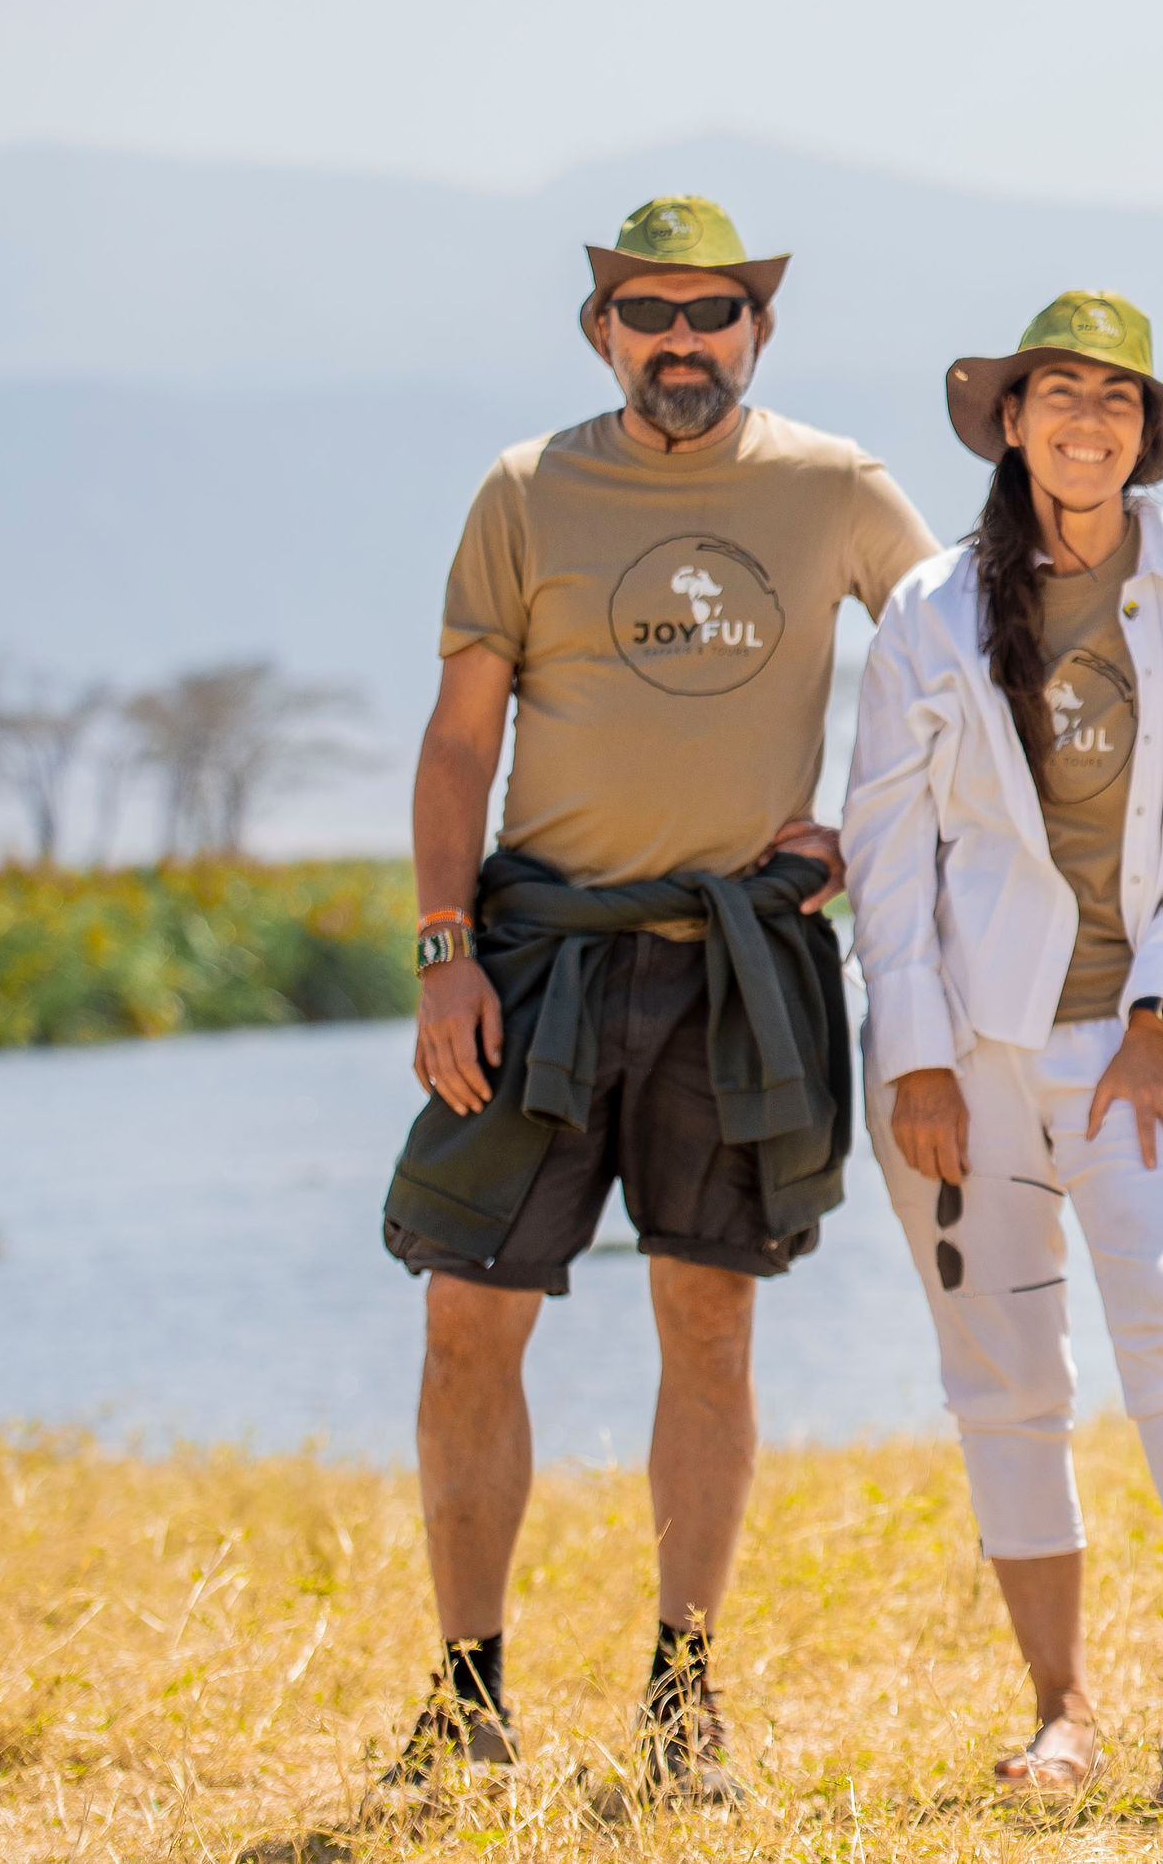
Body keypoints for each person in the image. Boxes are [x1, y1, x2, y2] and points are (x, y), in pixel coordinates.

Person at [378, 196, 937, 1804]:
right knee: (466, 1318)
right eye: (651, 315)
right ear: (603, 333)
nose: (682, 341)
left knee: (709, 1319)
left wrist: (860, 829)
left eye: (712, 314)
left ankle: (683, 1702)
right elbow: (457, 742)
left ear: (758, 330)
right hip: (538, 963)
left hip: (734, 968)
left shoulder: (835, 486)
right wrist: (442, 951)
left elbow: (958, 664)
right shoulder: (525, 490)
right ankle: (469, 1698)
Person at [842, 291, 1163, 1800]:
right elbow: (884, 847)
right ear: (1011, 423)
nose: (1089, 422)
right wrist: (915, 1060)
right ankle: (1063, 1711)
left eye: (1118, 399)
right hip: (968, 1049)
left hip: (1135, 1041)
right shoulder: (928, 611)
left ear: (1151, 436)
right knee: (1001, 1368)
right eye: (1060, 394)